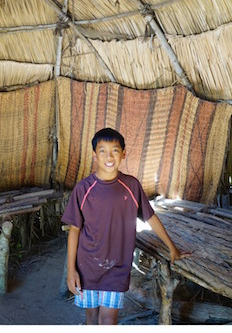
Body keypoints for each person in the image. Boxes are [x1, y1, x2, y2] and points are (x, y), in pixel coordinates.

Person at [62, 127, 187, 325]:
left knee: (108, 320)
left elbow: (151, 218)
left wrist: (173, 248)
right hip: (87, 266)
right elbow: (74, 230)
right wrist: (71, 270)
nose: (108, 156)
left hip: (117, 267)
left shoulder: (131, 185)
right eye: (102, 150)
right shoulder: (84, 189)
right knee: (91, 317)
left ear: (123, 154)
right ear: (95, 155)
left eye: (115, 150)